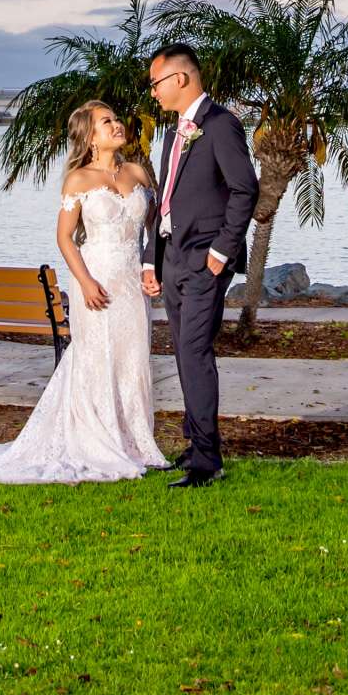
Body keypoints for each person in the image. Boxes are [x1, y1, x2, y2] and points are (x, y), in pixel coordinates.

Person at [0, 101, 169, 484]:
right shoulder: (79, 180)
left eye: (115, 119)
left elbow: (154, 229)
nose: (116, 125)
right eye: (105, 122)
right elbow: (65, 238)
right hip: (95, 279)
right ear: (89, 137)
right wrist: (85, 281)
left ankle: (136, 442)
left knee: (131, 360)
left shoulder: (138, 172)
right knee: (97, 357)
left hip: (131, 284)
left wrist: (151, 269)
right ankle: (98, 441)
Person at [142, 41, 259, 487]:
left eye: (156, 83)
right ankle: (195, 447)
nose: (153, 92)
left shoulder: (221, 125)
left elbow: (244, 190)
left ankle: (208, 462)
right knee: (184, 352)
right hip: (172, 257)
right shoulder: (174, 132)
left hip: (204, 259)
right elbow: (165, 199)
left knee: (194, 351)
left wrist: (220, 252)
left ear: (181, 79)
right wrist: (150, 260)